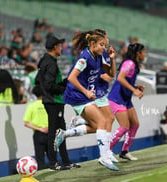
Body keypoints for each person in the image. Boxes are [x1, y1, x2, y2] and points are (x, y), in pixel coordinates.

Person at [56, 31, 118, 170]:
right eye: (101, 44)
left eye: (104, 44)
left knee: (98, 126)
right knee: (103, 121)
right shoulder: (84, 58)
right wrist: (86, 92)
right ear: (92, 44)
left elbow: (112, 74)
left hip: (86, 95)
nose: (104, 47)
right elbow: (72, 77)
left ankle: (70, 130)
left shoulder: (98, 56)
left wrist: (112, 58)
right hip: (77, 96)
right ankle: (104, 157)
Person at [35, 35, 79, 170]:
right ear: (55, 47)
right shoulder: (51, 63)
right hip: (54, 102)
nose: (61, 48)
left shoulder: (45, 62)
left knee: (60, 131)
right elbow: (49, 85)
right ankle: (54, 162)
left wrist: (63, 83)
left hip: (52, 101)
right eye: (60, 46)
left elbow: (38, 80)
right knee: (55, 132)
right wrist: (63, 88)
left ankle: (64, 161)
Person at [108, 43, 145, 161]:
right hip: (117, 98)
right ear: (138, 53)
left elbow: (125, 80)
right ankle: (106, 151)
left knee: (134, 124)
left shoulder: (134, 64)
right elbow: (120, 78)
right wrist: (134, 90)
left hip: (126, 99)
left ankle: (124, 151)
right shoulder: (129, 63)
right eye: (144, 52)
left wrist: (135, 86)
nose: (145, 54)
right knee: (124, 127)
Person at [23, 86, 49, 170]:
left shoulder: (32, 106)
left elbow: (26, 123)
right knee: (53, 158)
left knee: (40, 159)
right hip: (50, 132)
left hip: (38, 134)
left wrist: (40, 129)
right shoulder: (49, 104)